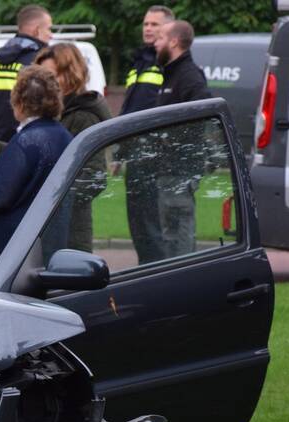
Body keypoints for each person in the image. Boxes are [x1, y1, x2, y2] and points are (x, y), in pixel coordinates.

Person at [0, 66, 71, 287]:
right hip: (48, 240)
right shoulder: (64, 136)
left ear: (19, 101)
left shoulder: (26, 140)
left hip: (14, 248)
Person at [35, 43, 112, 252]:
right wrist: (1, 149)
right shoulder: (55, 110)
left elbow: (94, 178)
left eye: (50, 75)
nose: (43, 83)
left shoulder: (84, 116)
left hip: (69, 235)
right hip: (43, 228)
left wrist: (46, 194)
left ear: (71, 75)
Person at [151, 19, 212, 259]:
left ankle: (182, 281)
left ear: (174, 41)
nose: (156, 44)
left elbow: (201, 118)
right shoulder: (172, 74)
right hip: (168, 170)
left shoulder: (189, 77)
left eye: (160, 38)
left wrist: (171, 140)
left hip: (179, 171)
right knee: (170, 233)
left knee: (178, 235)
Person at [121, 5, 175, 264]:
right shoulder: (139, 62)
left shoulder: (168, 63)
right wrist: (120, 152)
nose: (149, 29)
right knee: (138, 222)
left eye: (155, 24)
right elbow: (129, 109)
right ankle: (146, 267)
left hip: (155, 157)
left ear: (169, 29)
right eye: (146, 24)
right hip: (134, 156)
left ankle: (157, 272)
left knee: (154, 223)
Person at [0, 4, 52, 149]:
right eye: (49, 28)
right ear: (36, 30)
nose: (51, 34)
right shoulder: (40, 62)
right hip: (29, 145)